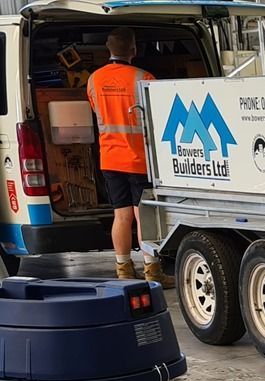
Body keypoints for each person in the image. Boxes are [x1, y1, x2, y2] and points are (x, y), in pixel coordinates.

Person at [87, 27, 161, 283]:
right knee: (143, 215)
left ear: (108, 49)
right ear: (133, 49)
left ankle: (123, 269)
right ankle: (152, 270)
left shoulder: (93, 79)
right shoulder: (144, 78)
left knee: (121, 215)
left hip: (109, 158)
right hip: (139, 159)